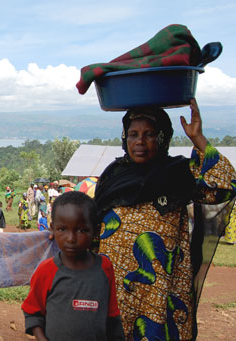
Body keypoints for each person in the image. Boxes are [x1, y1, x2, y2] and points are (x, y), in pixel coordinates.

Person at [94, 99, 236, 340]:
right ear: (124, 138)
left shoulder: (179, 173)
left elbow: (224, 186)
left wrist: (198, 138)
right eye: (133, 134)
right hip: (115, 286)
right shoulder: (113, 174)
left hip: (160, 291)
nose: (139, 141)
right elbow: (93, 223)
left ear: (162, 138)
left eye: (149, 134)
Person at [22, 191, 124, 341]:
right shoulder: (46, 270)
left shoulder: (104, 268)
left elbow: (112, 315)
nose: (71, 238)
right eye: (62, 229)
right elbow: (32, 311)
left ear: (95, 231)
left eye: (81, 230)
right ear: (52, 229)